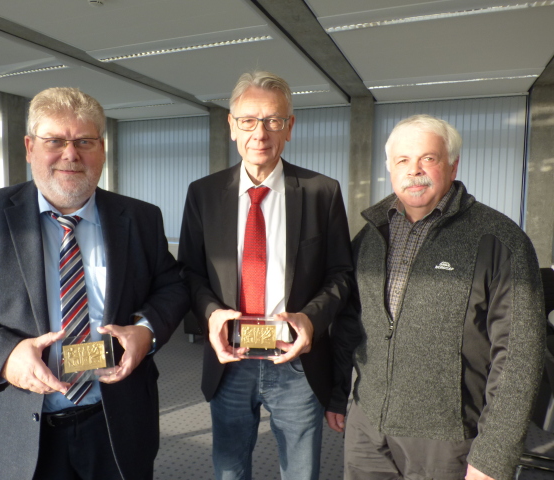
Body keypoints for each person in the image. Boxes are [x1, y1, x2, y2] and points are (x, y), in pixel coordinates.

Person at [0, 87, 189, 480]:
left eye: (84, 141)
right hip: (11, 425)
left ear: (102, 148)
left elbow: (173, 285)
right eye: (55, 141)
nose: (70, 154)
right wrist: (5, 356)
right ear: (30, 147)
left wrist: (146, 331)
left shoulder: (141, 218)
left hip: (114, 419)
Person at [340, 114, 545, 480]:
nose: (413, 171)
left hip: (447, 443)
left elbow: (519, 357)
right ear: (389, 168)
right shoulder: (369, 237)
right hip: (368, 431)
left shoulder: (499, 239)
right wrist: (335, 394)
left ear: (453, 165)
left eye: (428, 159)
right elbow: (348, 325)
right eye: (402, 160)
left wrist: (494, 454)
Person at [177, 71, 360, 480]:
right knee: (230, 468)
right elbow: (188, 272)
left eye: (273, 120)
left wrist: (310, 318)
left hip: (296, 358)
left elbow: (341, 274)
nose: (260, 132)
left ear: (289, 127)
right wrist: (210, 315)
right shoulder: (203, 194)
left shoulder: (321, 192)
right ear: (232, 126)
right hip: (231, 357)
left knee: (300, 471)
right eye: (249, 120)